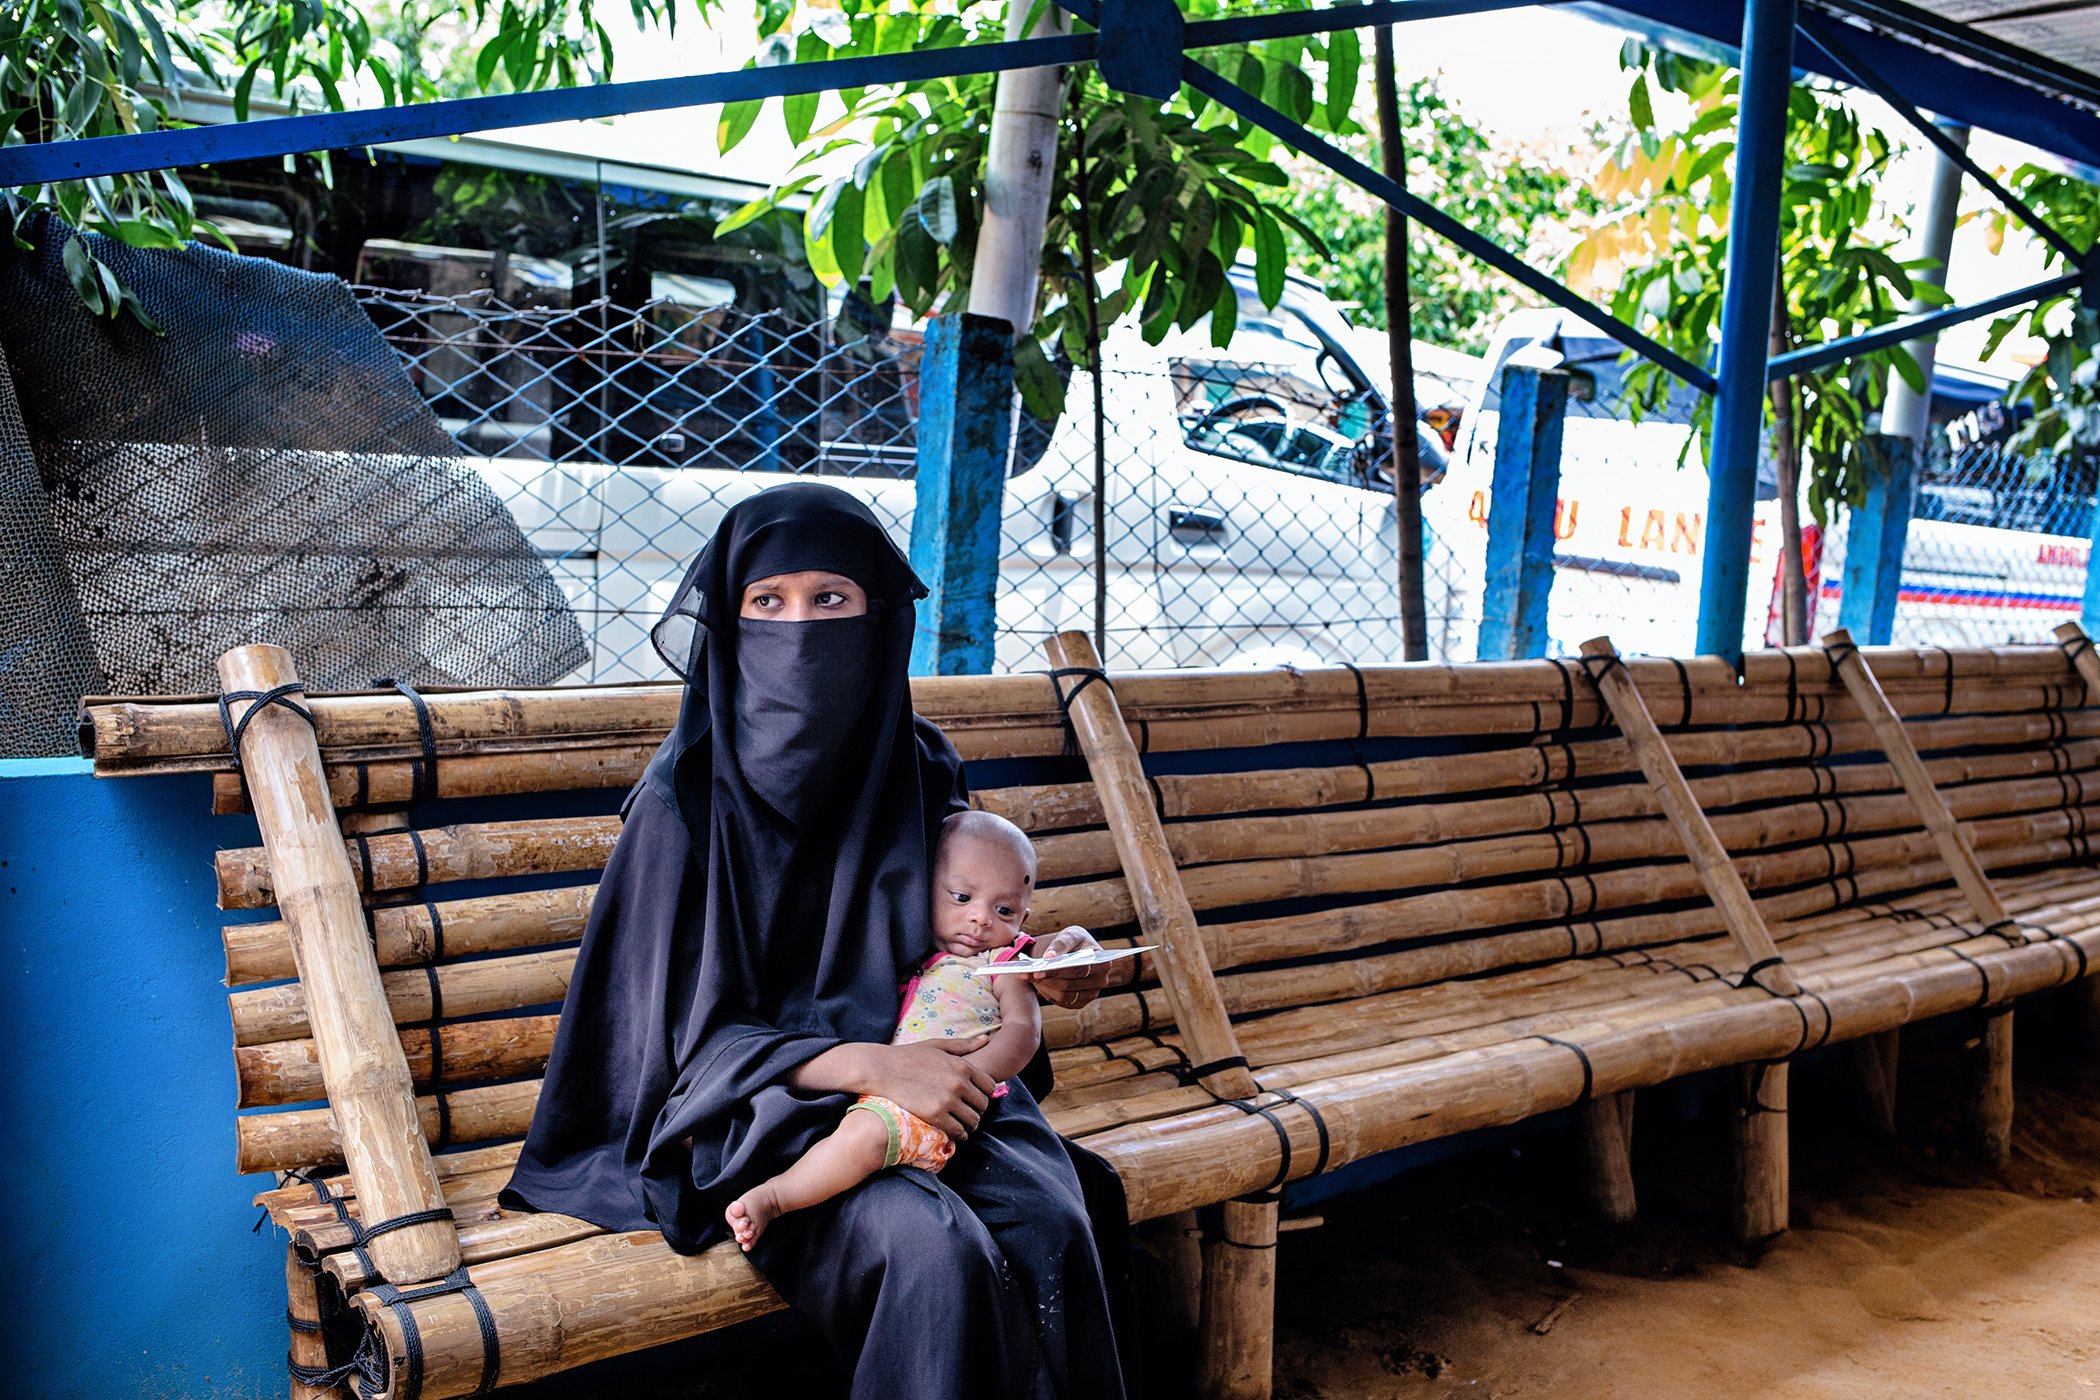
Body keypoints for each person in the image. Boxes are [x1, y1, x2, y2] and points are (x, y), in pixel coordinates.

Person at [501, 483, 1129, 1400]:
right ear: (730, 619)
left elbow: (967, 922)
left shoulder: (918, 767)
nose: (800, 630)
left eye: (830, 600)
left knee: (1055, 1218)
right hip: (759, 1121)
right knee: (930, 1256)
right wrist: (871, 1068)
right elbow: (670, 1054)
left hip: (934, 1089)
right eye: (768, 603)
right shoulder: (683, 807)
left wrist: (1044, 957)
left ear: (879, 617)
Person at [727, 809, 1046, 1251]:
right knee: (850, 1134)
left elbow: (1022, 1032)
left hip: (938, 1100)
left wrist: (966, 1074)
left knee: (866, 1137)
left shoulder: (1003, 964)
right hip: (889, 1085)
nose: (980, 919)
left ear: (1024, 918)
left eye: (1004, 909)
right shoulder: (906, 950)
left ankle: (776, 1198)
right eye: (960, 897)